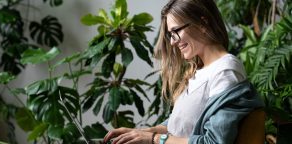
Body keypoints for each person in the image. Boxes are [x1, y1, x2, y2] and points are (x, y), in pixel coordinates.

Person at [103, 0, 264, 143]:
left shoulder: (225, 71)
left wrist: (154, 139)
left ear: (202, 23)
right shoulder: (200, 70)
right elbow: (181, 127)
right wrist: (140, 133)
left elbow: (214, 141)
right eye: (170, 34)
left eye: (176, 31)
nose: (172, 42)